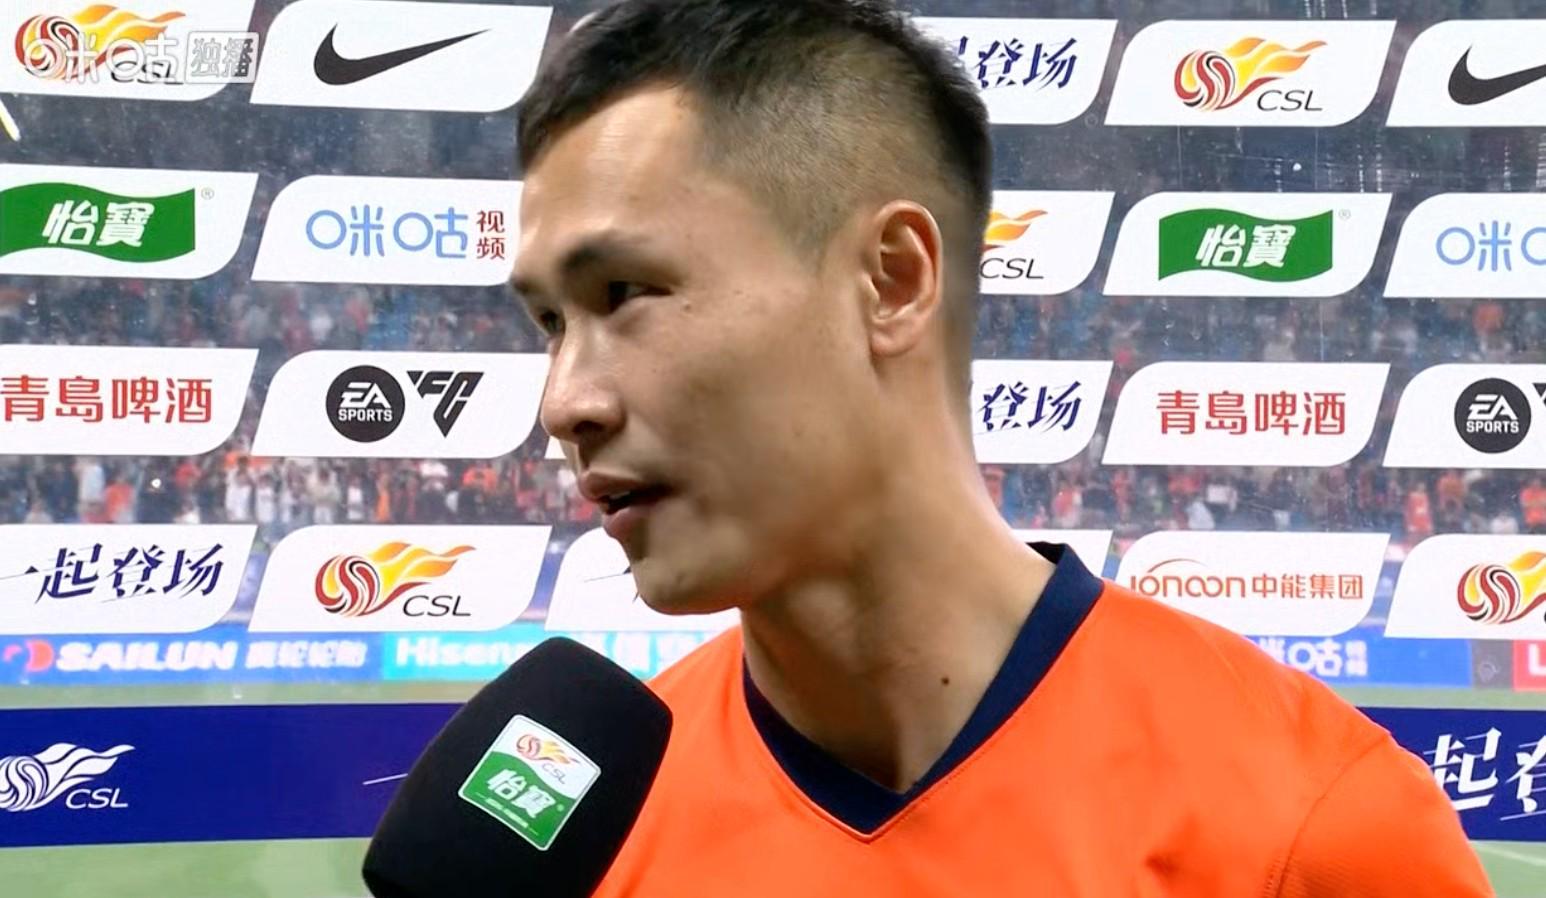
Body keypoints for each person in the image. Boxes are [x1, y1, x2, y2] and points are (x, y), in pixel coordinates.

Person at [509, 1, 1492, 894]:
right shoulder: (584, 834)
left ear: (892, 281)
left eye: (624, 294)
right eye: (550, 321)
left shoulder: (1313, 827)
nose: (565, 403)